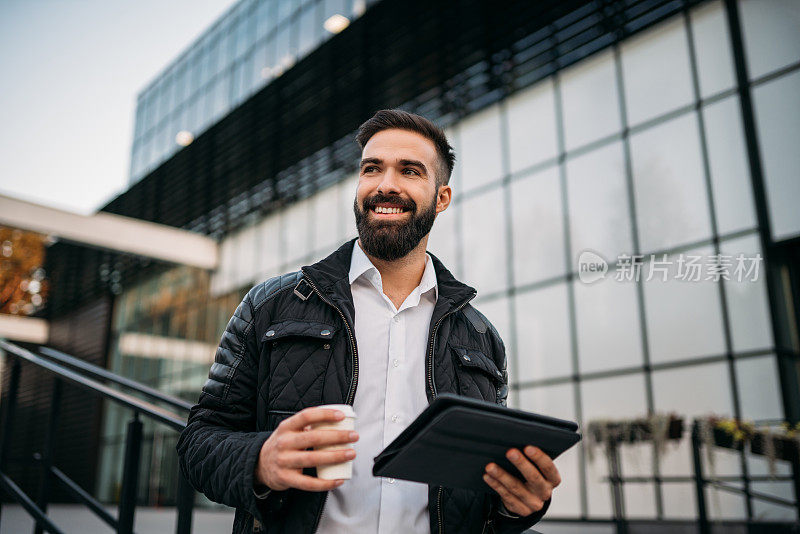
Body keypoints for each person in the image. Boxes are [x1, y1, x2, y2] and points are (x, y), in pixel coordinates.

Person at [177, 110, 561, 534]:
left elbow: (481, 498)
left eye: (409, 171)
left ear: (442, 198)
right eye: (371, 169)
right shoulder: (271, 305)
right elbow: (199, 442)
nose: (385, 185)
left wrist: (516, 507)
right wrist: (260, 461)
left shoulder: (482, 337)